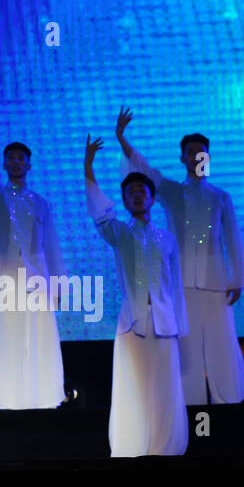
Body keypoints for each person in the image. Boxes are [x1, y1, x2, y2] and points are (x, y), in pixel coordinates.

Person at [115, 107, 244, 404]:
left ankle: (227, 398)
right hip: (180, 285)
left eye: (201, 152)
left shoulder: (220, 196)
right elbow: (144, 168)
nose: (195, 156)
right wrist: (122, 139)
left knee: (221, 343)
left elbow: (233, 239)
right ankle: (189, 404)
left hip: (216, 283)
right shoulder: (171, 191)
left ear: (208, 157)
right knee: (186, 347)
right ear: (183, 158)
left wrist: (237, 278)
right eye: (190, 152)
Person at [84, 135, 188, 457]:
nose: (138, 195)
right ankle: (133, 447)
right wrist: (88, 166)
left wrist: (178, 326)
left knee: (166, 388)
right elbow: (99, 213)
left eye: (142, 191)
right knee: (134, 388)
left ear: (152, 198)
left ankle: (166, 447)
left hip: (164, 324)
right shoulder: (120, 232)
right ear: (125, 201)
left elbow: (175, 288)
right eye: (131, 193)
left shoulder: (168, 239)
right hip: (132, 325)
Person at [0, 95, 66, 410]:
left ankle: (47, 397)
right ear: (5, 163)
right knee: (11, 340)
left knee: (41, 338)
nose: (15, 161)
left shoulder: (40, 203)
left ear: (28, 164)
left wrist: (58, 285)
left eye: (20, 158)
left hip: (38, 280)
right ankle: (11, 400)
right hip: (7, 281)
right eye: (10, 157)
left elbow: (51, 246)